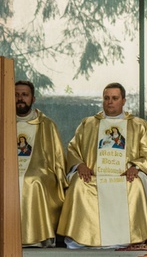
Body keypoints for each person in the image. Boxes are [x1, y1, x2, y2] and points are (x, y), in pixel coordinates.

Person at [57, 82, 147, 248]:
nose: (110, 102)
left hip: (125, 176)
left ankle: (128, 237)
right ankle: (82, 237)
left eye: (115, 98)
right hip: (93, 175)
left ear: (123, 101)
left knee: (136, 185)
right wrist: (79, 165)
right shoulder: (89, 123)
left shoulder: (138, 125)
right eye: (106, 98)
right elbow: (73, 148)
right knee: (78, 184)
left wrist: (135, 167)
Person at [15, 79, 67, 247]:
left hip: (41, 171)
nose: (20, 98)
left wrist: (61, 180)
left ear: (33, 99)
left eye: (24, 95)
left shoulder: (47, 124)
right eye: (16, 95)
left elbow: (57, 158)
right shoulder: (3, 121)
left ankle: (37, 237)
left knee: (33, 180)